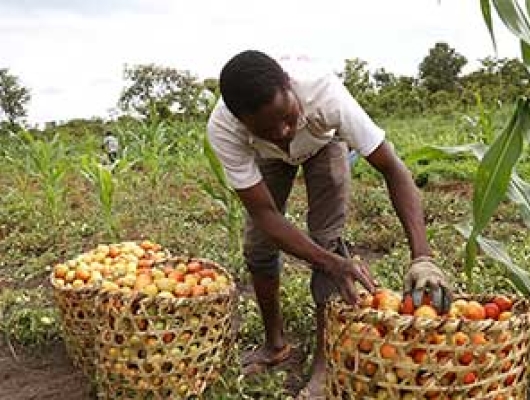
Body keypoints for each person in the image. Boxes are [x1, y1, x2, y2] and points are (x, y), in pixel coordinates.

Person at [206, 50, 452, 399]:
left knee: (327, 240)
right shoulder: (224, 129)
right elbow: (266, 215)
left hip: (324, 143)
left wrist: (422, 256)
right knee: (258, 248)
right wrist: (330, 263)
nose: (282, 131)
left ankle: (325, 364)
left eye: (287, 117)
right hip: (269, 161)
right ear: (241, 122)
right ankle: (274, 344)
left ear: (291, 89)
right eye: (266, 129)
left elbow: (393, 168)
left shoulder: (325, 94)